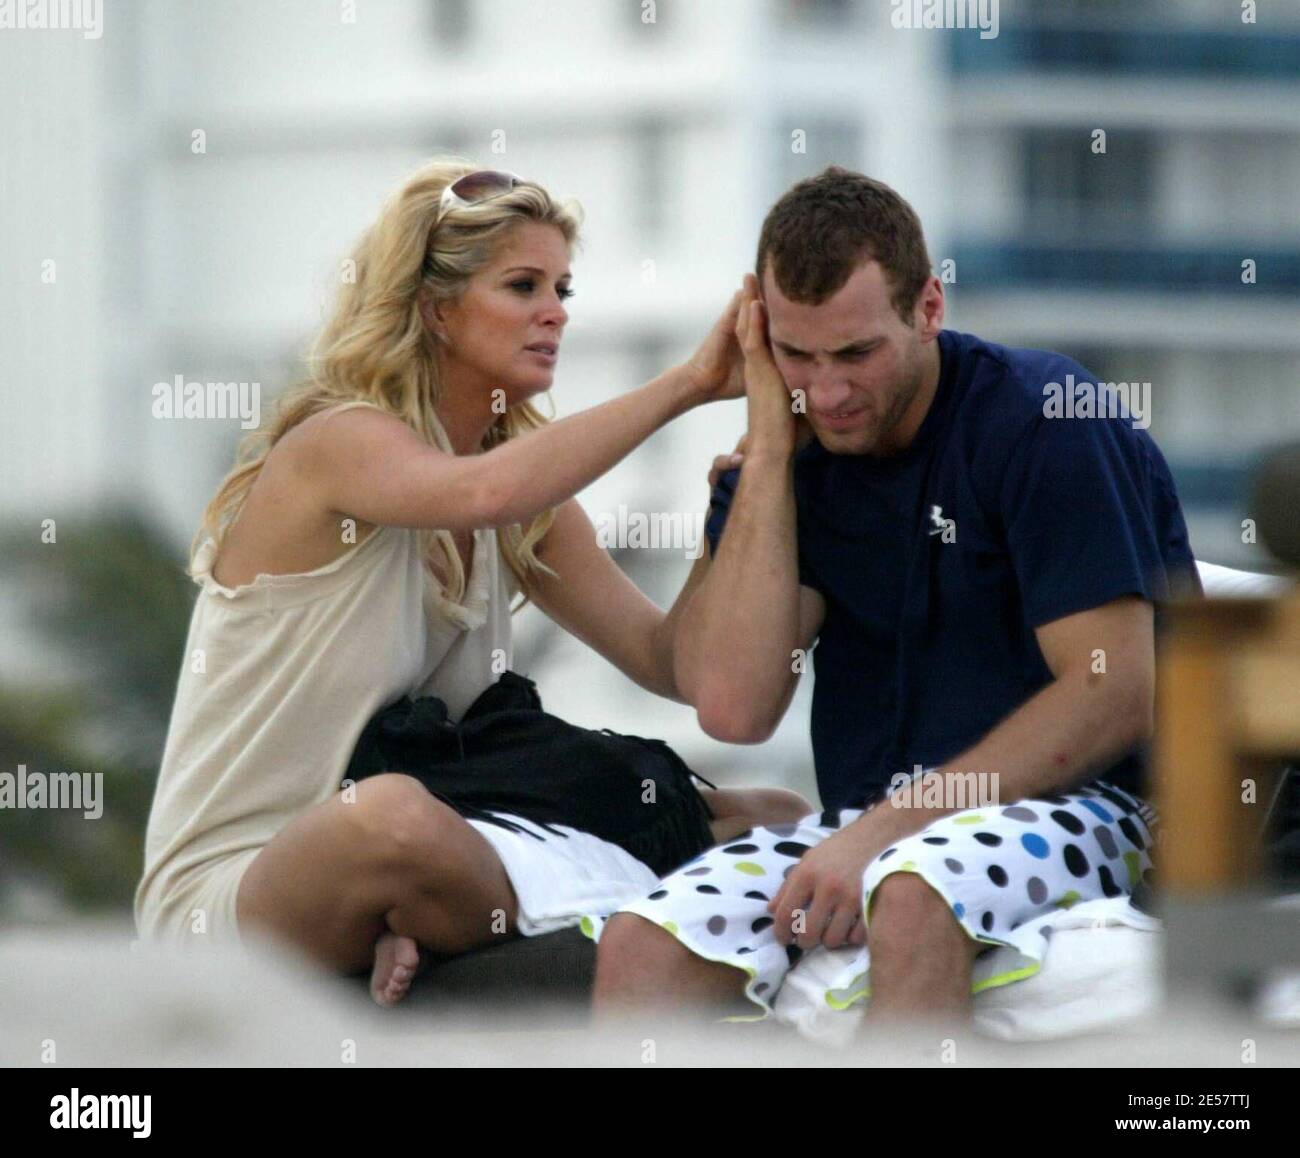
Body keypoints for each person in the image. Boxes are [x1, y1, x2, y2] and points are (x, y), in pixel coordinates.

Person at [133, 159, 808, 1007]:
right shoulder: (338, 443)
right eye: (523, 286)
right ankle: (582, 932)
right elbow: (479, 494)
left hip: (458, 839)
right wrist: (687, 385)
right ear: (434, 307)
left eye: (563, 286)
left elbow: (670, 663)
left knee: (773, 814)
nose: (556, 311)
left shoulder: (516, 490)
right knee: (390, 818)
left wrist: (730, 522)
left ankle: (440, 930)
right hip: (248, 884)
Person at [589, 167, 1199, 1027]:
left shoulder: (1046, 420)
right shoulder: (788, 457)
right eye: (796, 355)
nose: (828, 392)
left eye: (856, 353)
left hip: (1098, 810)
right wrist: (768, 449)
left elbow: (1118, 688)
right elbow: (733, 706)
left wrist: (886, 831)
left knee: (912, 892)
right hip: (867, 825)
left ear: (929, 309)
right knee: (643, 944)